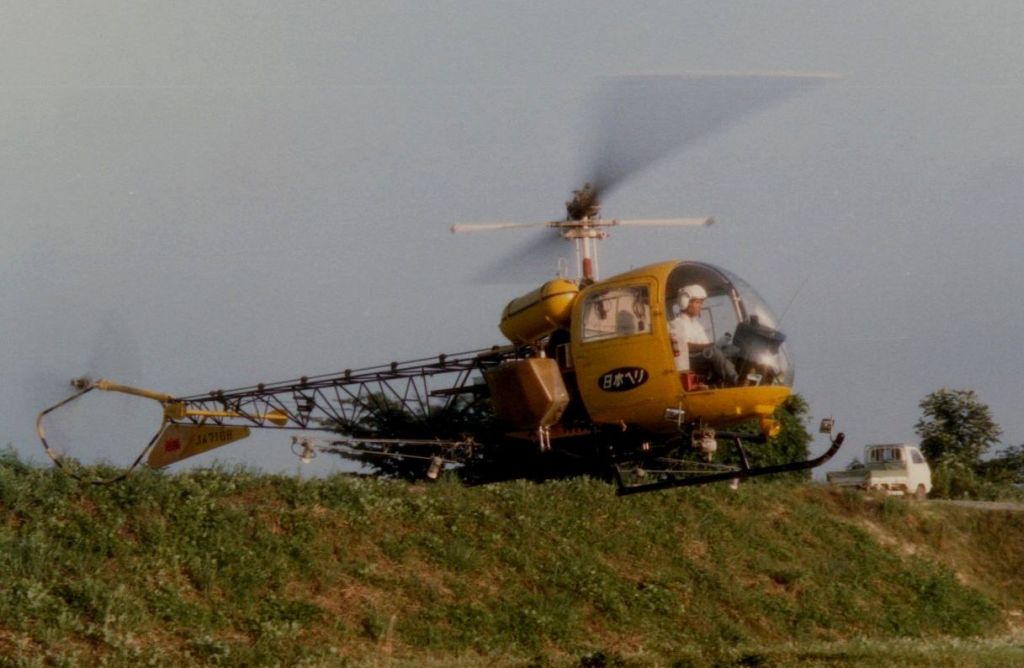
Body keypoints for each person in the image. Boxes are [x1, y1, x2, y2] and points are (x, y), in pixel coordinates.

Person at [669, 284, 739, 386]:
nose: (700, 306)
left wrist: (715, 345)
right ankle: (736, 380)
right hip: (691, 359)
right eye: (698, 302)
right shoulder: (677, 324)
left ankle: (741, 377)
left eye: (701, 303)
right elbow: (683, 346)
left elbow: (707, 345)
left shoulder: (697, 325)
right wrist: (708, 346)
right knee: (714, 351)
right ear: (686, 302)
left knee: (732, 349)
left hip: (702, 355)